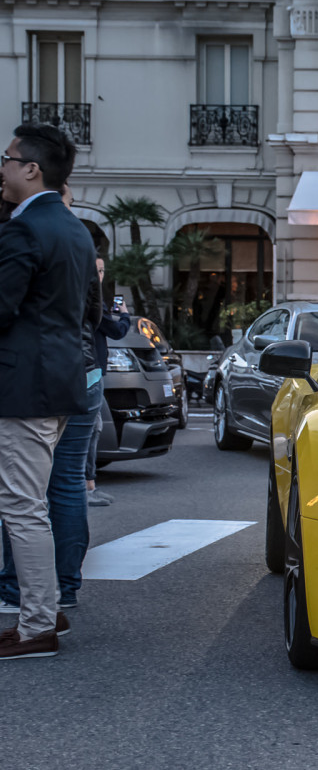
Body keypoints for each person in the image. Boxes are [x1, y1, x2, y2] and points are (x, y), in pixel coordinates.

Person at [0, 123, 98, 658]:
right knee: (30, 500)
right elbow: (89, 311)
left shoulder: (24, 230)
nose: (3, 167)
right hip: (61, 379)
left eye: (8, 158)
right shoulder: (75, 228)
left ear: (31, 169)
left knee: (21, 506)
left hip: (22, 386)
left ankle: (37, 623)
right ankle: (45, 607)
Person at [87, 258, 131, 507]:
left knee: (93, 429)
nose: (100, 275)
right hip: (90, 370)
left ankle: (89, 484)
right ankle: (87, 486)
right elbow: (115, 331)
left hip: (93, 369)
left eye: (103, 270)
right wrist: (124, 315)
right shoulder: (90, 298)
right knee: (91, 429)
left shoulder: (92, 297)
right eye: (97, 270)